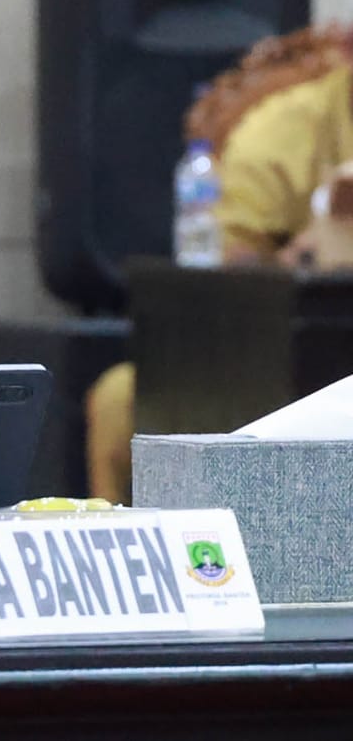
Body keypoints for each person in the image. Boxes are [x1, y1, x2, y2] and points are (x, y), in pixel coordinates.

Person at [84, 31, 353, 502]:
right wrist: (315, 247)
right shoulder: (285, 128)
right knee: (118, 395)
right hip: (294, 359)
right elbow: (225, 273)